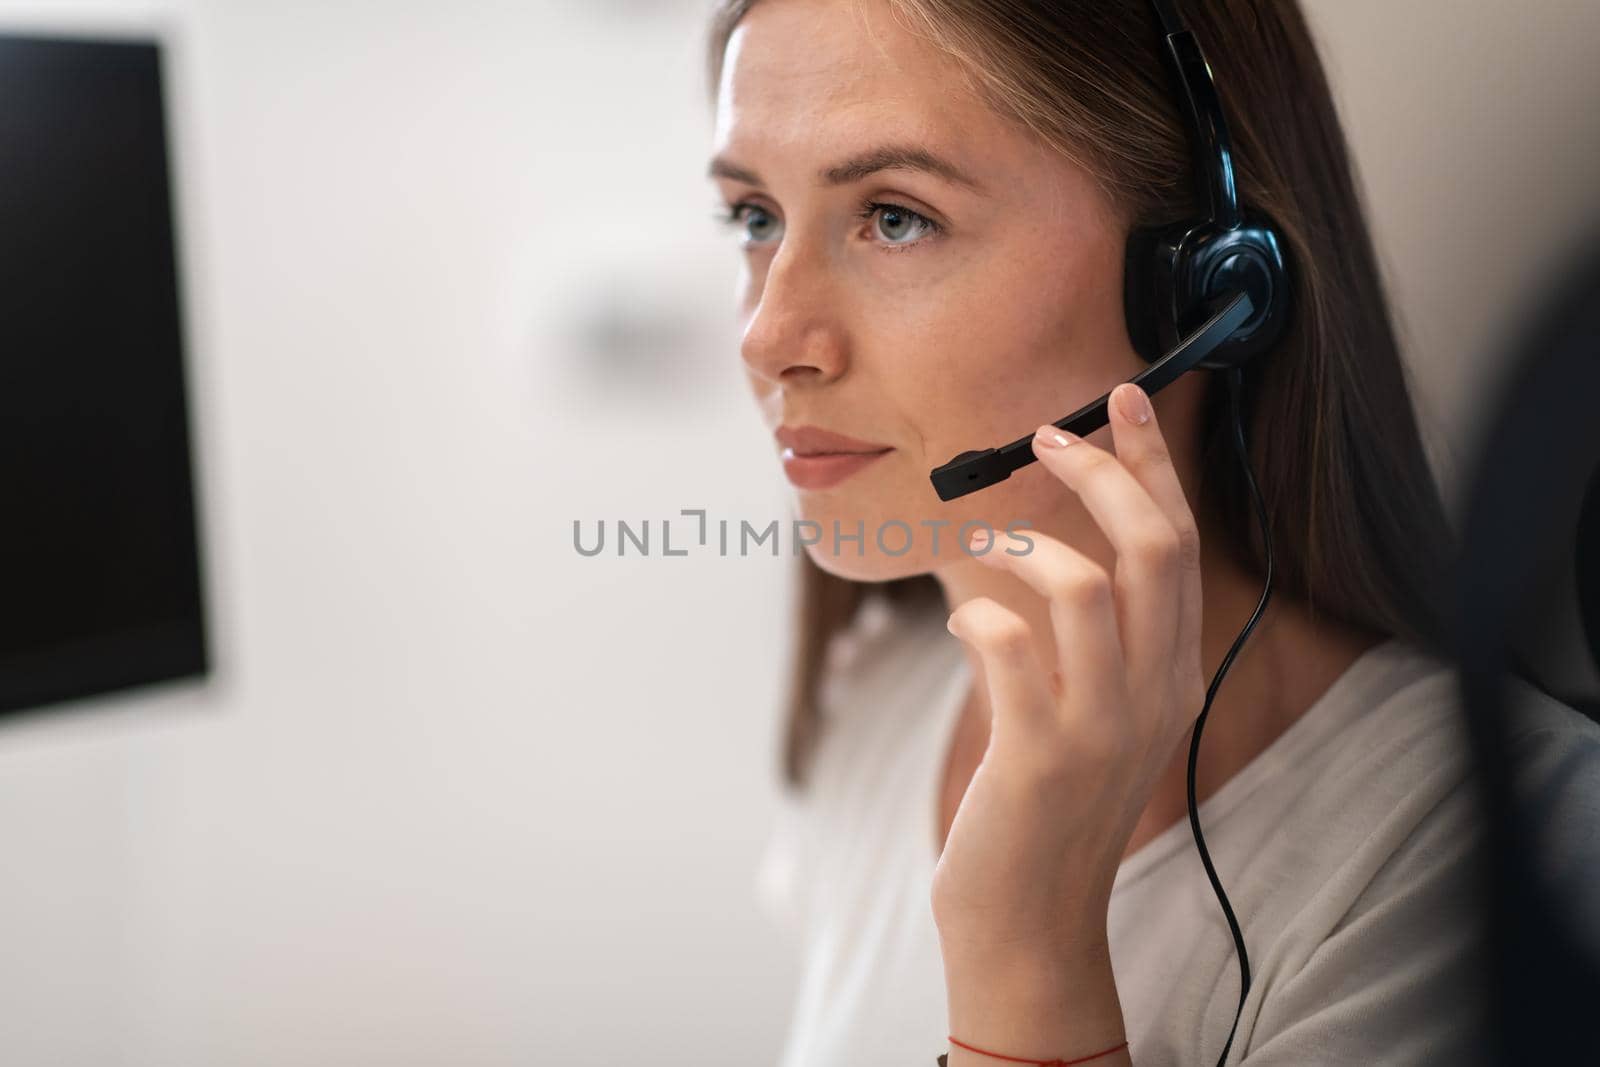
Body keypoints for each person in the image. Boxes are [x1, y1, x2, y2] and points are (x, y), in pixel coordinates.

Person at [702, 1, 1600, 1064]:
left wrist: (1027, 950)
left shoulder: (1500, 847)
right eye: (755, 216)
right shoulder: (878, 704)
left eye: (895, 217)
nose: (767, 336)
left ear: (1208, 281)